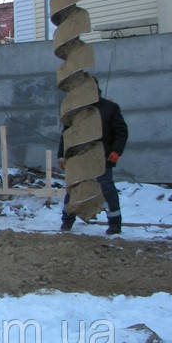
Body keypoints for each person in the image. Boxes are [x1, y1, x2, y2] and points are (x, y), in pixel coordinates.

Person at [58, 77, 128, 234]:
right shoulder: (75, 111)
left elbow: (121, 132)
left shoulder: (110, 108)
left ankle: (115, 223)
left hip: (102, 158)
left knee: (106, 187)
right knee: (74, 188)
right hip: (79, 157)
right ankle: (67, 220)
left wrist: (116, 152)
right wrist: (62, 155)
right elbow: (66, 135)